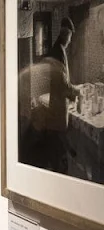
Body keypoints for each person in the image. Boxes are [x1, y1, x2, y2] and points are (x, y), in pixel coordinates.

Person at [41, 16, 81, 173]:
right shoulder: (59, 52)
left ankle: (60, 163)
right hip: (58, 105)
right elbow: (63, 84)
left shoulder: (57, 48)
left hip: (56, 101)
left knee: (58, 138)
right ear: (66, 34)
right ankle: (60, 169)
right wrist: (76, 91)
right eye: (70, 37)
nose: (70, 41)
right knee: (59, 137)